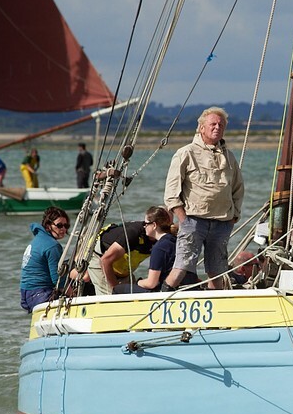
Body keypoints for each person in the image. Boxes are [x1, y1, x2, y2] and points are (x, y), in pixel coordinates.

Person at [161, 106, 244, 291]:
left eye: (221, 125)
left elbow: (238, 188)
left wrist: (234, 216)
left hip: (222, 223)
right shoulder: (186, 153)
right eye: (212, 124)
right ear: (201, 128)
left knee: (217, 271)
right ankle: (162, 300)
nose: (217, 127)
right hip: (193, 221)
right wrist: (182, 218)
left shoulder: (229, 157)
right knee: (182, 267)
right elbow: (171, 191)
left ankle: (215, 308)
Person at [113, 207, 199, 294]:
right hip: (186, 286)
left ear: (154, 225)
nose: (144, 226)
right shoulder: (176, 240)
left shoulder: (159, 247)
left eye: (146, 223)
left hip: (166, 291)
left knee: (118, 289)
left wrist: (138, 282)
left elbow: (151, 283)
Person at [87, 216, 158, 296]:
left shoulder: (165, 239)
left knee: (132, 296)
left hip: (121, 268)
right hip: (100, 257)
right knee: (112, 298)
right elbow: (105, 261)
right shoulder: (133, 233)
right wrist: (117, 289)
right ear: (155, 225)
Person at [20, 206, 71, 312]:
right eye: (59, 225)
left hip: (26, 293)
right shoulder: (52, 246)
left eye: (66, 226)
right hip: (40, 293)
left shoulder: (38, 239)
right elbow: (57, 278)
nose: (63, 229)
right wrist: (73, 294)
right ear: (48, 226)